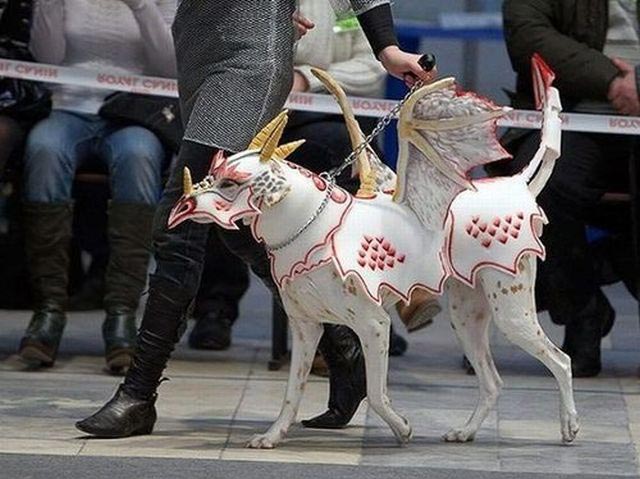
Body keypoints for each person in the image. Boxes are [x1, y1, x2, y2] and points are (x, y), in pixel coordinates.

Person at [76, 0, 435, 438]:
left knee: (182, 219)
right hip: (198, 45)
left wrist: (387, 48)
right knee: (238, 227)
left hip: (249, 62)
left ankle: (138, 395)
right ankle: (342, 346)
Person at [188, 0, 410, 359]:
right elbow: (216, 44)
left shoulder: (348, 6)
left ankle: (369, 307)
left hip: (323, 112)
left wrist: (305, 77)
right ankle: (216, 304)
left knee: (353, 159)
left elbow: (371, 69)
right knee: (227, 171)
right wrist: (278, 48)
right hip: (250, 107)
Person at [18, 0, 176, 372]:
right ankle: (48, 311)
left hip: (134, 112)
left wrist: (140, 5)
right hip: (69, 106)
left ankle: (122, 314)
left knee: (140, 158)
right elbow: (48, 57)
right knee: (43, 148)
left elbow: (168, 65)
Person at [498, 0, 639, 377]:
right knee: (541, 187)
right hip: (572, 114)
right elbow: (528, 35)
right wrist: (612, 80)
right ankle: (582, 307)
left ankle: (612, 262)